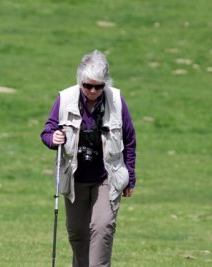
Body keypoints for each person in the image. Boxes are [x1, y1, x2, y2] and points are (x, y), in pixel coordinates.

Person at [40, 50, 136, 267]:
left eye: (98, 86)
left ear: (105, 83)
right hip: (74, 178)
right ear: (80, 81)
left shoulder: (117, 102)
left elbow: (129, 140)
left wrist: (130, 177)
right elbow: (47, 132)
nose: (93, 90)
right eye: (88, 85)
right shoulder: (65, 99)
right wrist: (53, 138)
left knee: (102, 229)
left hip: (106, 177)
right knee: (77, 234)